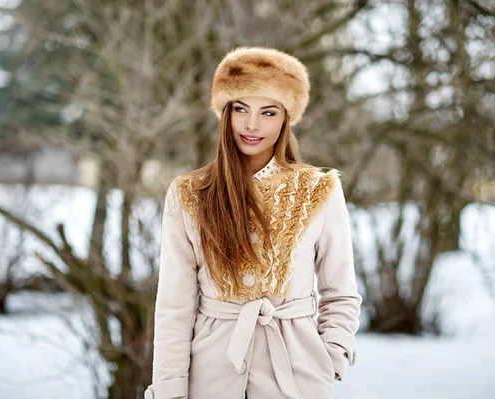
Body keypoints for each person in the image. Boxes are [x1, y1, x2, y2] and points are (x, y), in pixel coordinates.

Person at [144, 46, 362, 399]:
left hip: (296, 369)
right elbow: (174, 303)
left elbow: (341, 291)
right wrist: (170, 387)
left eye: (268, 112)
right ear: (225, 114)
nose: (252, 125)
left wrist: (332, 354)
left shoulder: (319, 190)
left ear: (286, 119)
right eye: (241, 109)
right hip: (210, 371)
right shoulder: (189, 193)